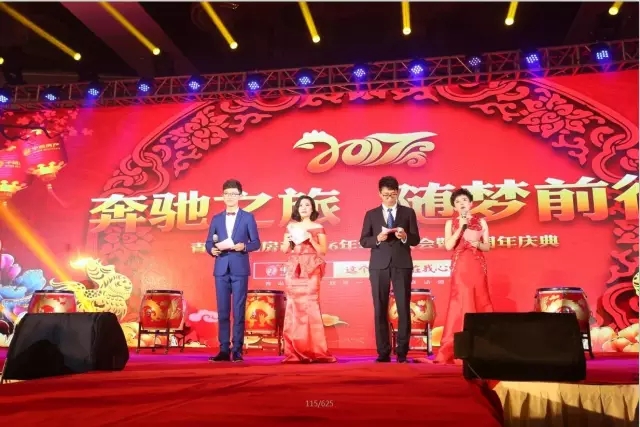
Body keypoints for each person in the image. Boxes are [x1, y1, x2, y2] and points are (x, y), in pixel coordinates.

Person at [359, 176, 420, 363]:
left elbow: (415, 239)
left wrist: (404, 236)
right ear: (379, 193)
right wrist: (377, 238)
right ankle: (383, 351)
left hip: (402, 264)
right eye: (386, 195)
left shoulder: (408, 212)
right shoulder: (371, 214)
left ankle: (402, 352)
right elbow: (364, 240)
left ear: (398, 192)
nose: (389, 198)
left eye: (393, 195)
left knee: (403, 307)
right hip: (379, 265)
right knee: (380, 307)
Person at [434, 187, 493, 364]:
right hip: (460, 266)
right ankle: (458, 346)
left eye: (464, 201)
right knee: (461, 301)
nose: (461, 204)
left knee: (480, 298)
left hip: (477, 265)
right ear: (454, 206)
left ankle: (482, 344)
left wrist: (477, 243)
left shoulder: (481, 222)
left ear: (471, 204)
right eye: (458, 202)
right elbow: (448, 246)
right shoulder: (450, 223)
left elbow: (487, 246)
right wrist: (460, 227)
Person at [205, 179, 261, 362]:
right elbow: (208, 242)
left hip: (239, 268)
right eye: (227, 194)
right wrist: (211, 250)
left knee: (238, 311)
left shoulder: (247, 217)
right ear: (223, 196)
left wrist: (244, 246)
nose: (230, 197)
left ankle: (237, 349)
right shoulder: (216, 218)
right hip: (221, 268)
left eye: (233, 194)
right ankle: (223, 349)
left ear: (240, 196)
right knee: (222, 311)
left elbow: (256, 243)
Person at [280, 195, 336, 363]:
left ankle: (315, 350)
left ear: (312, 209)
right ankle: (294, 351)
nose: (304, 208)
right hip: (294, 270)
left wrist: (310, 238)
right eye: (301, 205)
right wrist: (288, 240)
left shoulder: (318, 227)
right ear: (297, 209)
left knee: (311, 306)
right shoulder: (291, 227)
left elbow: (323, 251)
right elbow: (284, 250)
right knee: (293, 307)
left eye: (307, 205)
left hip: (311, 269)